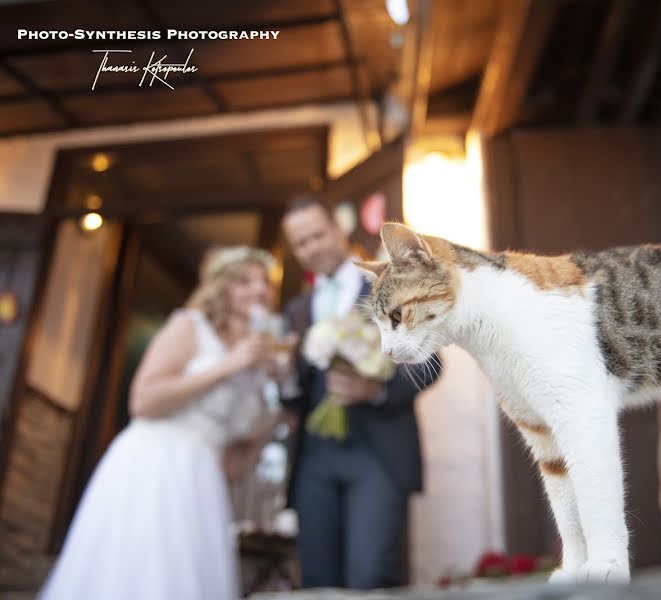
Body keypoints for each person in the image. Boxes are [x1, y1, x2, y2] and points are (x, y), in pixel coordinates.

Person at [40, 246, 289, 600]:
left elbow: (236, 465)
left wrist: (276, 395)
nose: (259, 289)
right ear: (221, 287)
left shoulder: (258, 355)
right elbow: (142, 401)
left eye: (265, 282)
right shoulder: (189, 325)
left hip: (205, 479)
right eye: (244, 281)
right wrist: (228, 366)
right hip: (154, 462)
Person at [281, 196, 441, 589]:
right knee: (318, 579)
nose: (312, 247)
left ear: (338, 230)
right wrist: (282, 377)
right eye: (301, 243)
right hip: (314, 458)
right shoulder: (296, 310)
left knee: (371, 576)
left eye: (317, 235)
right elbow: (293, 396)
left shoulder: (389, 285)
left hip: (378, 454)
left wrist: (377, 391)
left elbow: (431, 363)